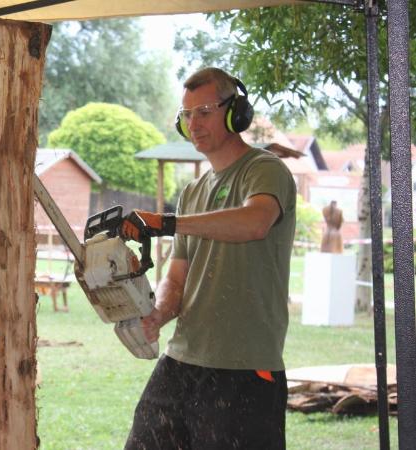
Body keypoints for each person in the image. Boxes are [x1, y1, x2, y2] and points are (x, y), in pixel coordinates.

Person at [120, 67, 297, 449]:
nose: (193, 124)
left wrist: (167, 222)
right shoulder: (193, 191)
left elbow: (256, 222)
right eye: (186, 115)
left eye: (204, 111)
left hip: (245, 366)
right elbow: (178, 277)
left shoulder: (264, 169)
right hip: (182, 360)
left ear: (236, 113)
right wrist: (159, 314)